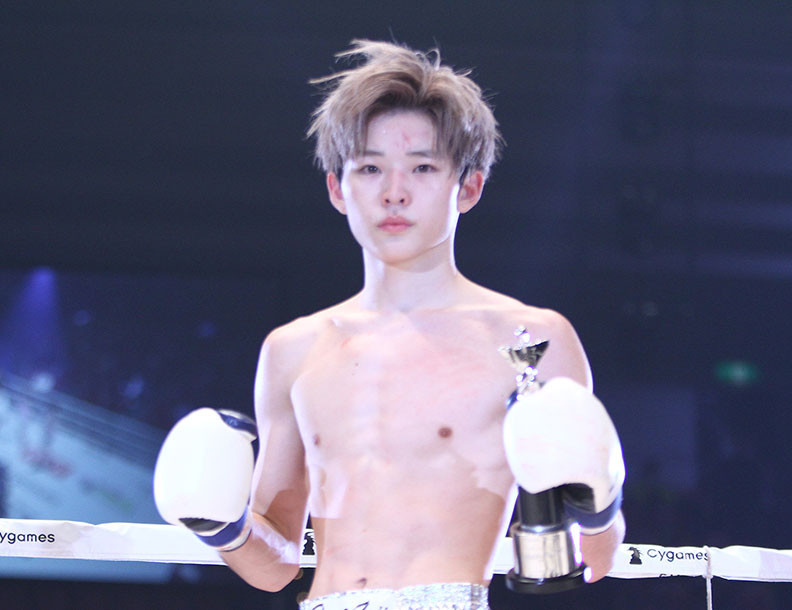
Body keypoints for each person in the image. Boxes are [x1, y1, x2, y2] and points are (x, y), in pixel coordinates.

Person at [154, 39, 625, 610]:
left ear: (468, 187)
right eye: (370, 168)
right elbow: (277, 568)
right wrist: (223, 528)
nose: (394, 193)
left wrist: (600, 508)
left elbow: (595, 559)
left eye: (422, 167)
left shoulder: (530, 338)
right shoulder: (293, 349)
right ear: (338, 188)